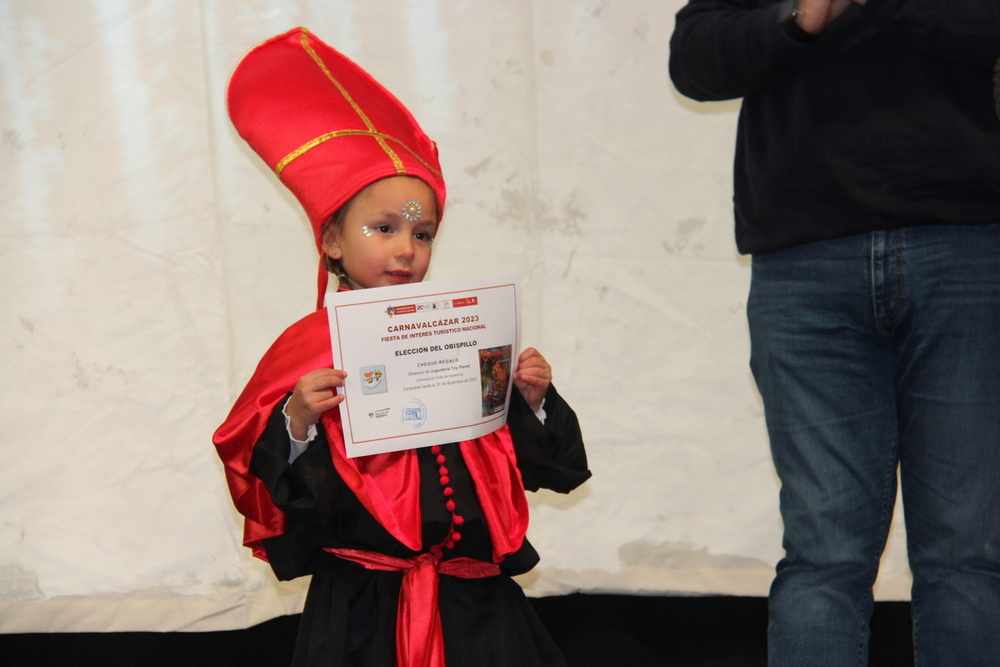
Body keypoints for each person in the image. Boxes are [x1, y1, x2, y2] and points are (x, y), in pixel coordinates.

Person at [213, 28, 590, 667]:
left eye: (423, 232)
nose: (406, 248)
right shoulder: (309, 350)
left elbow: (543, 471)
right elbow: (267, 479)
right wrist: (298, 423)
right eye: (382, 228)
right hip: (365, 613)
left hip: (479, 613)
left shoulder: (463, 330)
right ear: (331, 239)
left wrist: (534, 399)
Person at [669, 1, 1000, 665]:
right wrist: (798, 17)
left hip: (964, 244)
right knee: (824, 553)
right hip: (803, 257)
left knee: (966, 554)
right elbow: (695, 58)